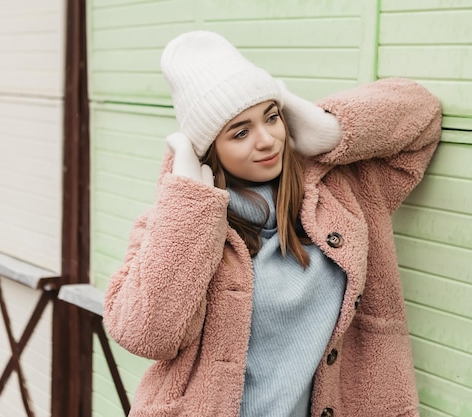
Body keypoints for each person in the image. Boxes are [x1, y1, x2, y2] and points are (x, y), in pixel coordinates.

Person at [102, 30, 442, 417]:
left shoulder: (344, 193)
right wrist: (189, 201)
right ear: (209, 150)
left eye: (272, 117)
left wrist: (330, 129)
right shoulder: (176, 225)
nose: (266, 140)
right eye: (241, 132)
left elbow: (422, 114)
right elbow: (145, 334)